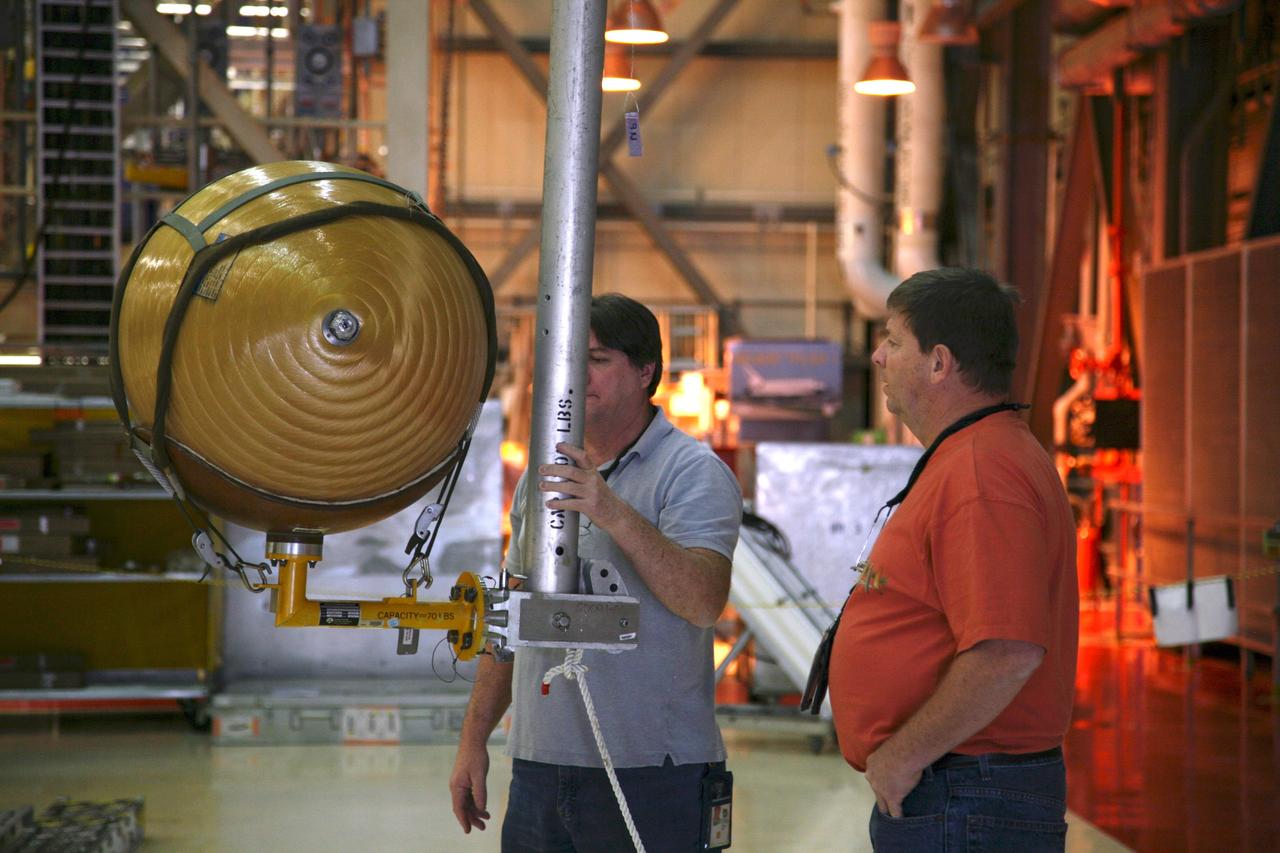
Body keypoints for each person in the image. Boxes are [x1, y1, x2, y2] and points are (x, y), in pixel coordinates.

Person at [449, 293, 743, 851]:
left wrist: (609, 509)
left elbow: (704, 601)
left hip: (653, 771)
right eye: (566, 358)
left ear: (645, 372)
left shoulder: (691, 473)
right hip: (539, 763)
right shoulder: (543, 478)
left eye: (598, 359)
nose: (575, 375)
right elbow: (511, 618)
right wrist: (473, 742)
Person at [828, 267, 1078, 851]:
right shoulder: (977, 454)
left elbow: (1006, 650)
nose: (877, 357)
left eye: (892, 341)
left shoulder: (980, 471)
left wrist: (902, 757)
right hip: (962, 788)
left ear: (939, 363)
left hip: (966, 793)